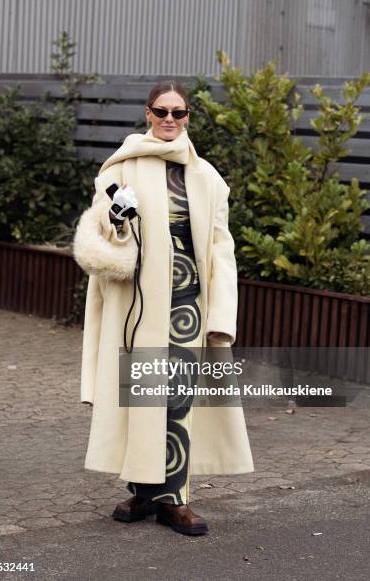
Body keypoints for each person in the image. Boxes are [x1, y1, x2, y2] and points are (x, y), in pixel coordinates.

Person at [73, 80, 254, 536]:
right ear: (147, 114)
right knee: (141, 398)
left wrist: (221, 317)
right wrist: (116, 217)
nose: (170, 120)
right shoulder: (122, 166)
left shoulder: (207, 177)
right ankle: (144, 491)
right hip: (139, 303)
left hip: (187, 303)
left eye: (179, 112)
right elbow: (101, 230)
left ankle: (177, 499)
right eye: (162, 111)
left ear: (189, 116)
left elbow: (220, 248)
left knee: (178, 399)